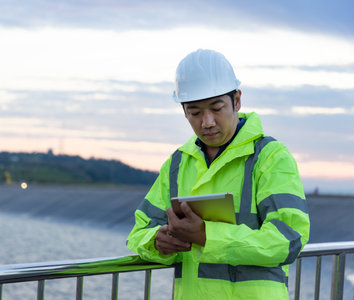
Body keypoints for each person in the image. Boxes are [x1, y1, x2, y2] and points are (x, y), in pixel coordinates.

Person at [126, 49, 310, 299]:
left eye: (216, 108)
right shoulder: (178, 163)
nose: (207, 122)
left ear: (237, 100)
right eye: (195, 112)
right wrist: (156, 242)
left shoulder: (270, 156)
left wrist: (205, 235)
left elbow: (289, 239)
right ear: (184, 111)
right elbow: (138, 234)